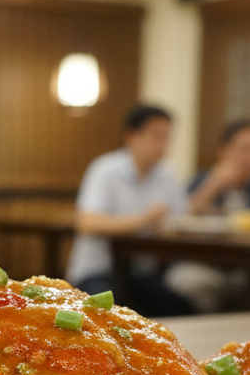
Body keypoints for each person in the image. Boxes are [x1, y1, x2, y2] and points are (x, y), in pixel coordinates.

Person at [66, 104, 194, 316]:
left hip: (142, 272)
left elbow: (182, 218)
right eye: (156, 137)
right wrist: (146, 219)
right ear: (131, 136)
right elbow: (87, 223)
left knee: (183, 309)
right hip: (98, 271)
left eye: (167, 138)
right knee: (109, 316)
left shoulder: (166, 175)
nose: (163, 145)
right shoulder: (105, 170)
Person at [188, 119, 250, 214]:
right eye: (246, 149)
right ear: (222, 151)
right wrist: (214, 184)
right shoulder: (202, 180)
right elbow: (185, 212)